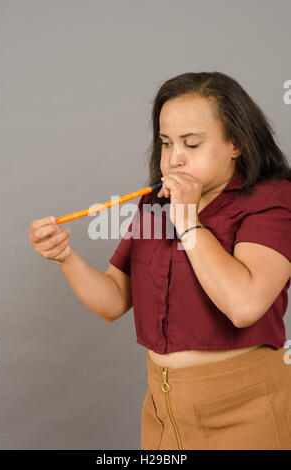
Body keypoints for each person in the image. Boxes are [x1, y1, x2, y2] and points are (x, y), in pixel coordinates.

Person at [28, 71, 291, 450]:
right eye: (167, 143)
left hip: (247, 409)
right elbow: (114, 300)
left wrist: (187, 221)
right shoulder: (155, 205)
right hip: (163, 412)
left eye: (192, 144)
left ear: (235, 143)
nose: (174, 159)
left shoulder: (273, 199)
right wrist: (64, 256)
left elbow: (244, 305)